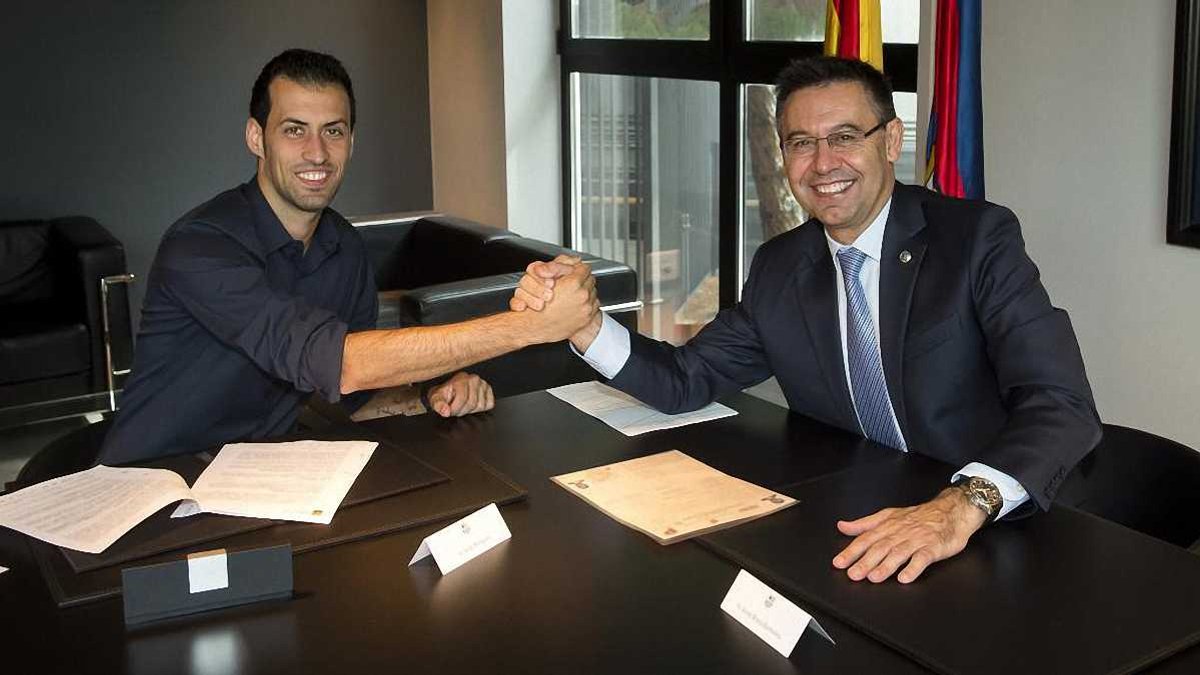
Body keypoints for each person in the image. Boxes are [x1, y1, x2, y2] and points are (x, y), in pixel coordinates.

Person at [513, 56, 1101, 584]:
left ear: (891, 139)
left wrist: (961, 504)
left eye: (844, 137)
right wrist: (584, 324)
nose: (822, 164)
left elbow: (1061, 403)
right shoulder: (781, 266)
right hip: (862, 518)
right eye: (800, 143)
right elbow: (684, 380)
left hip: (996, 522)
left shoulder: (975, 240)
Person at [98, 49, 596, 465]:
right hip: (152, 481)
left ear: (350, 142)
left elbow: (353, 397)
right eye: (294, 130)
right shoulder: (201, 245)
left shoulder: (342, 246)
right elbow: (342, 365)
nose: (317, 152)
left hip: (257, 479)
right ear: (256, 137)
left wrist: (429, 394)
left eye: (333, 131)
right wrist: (526, 327)